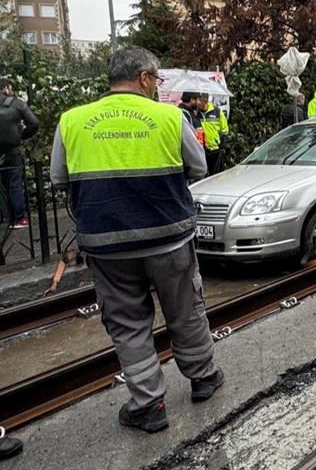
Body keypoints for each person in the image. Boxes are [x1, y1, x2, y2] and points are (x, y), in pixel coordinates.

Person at [49, 47, 223, 434]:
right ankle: (203, 378)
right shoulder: (169, 117)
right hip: (169, 239)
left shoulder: (72, 120)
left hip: (107, 244)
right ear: (143, 78)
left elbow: (59, 178)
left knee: (127, 323)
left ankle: (148, 405)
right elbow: (198, 166)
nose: (157, 86)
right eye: (156, 79)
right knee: (185, 310)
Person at [0, 79, 39, 229]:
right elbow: (34, 123)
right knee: (15, 183)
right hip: (12, 150)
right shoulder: (16, 103)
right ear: (6, 88)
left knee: (4, 186)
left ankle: (6, 218)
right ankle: (19, 218)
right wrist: (21, 135)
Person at [201, 97, 230, 175]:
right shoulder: (196, 113)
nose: (199, 103)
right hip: (201, 151)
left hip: (215, 151)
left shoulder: (217, 112)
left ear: (205, 100)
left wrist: (222, 145)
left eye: (200, 101)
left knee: (215, 175)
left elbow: (225, 131)